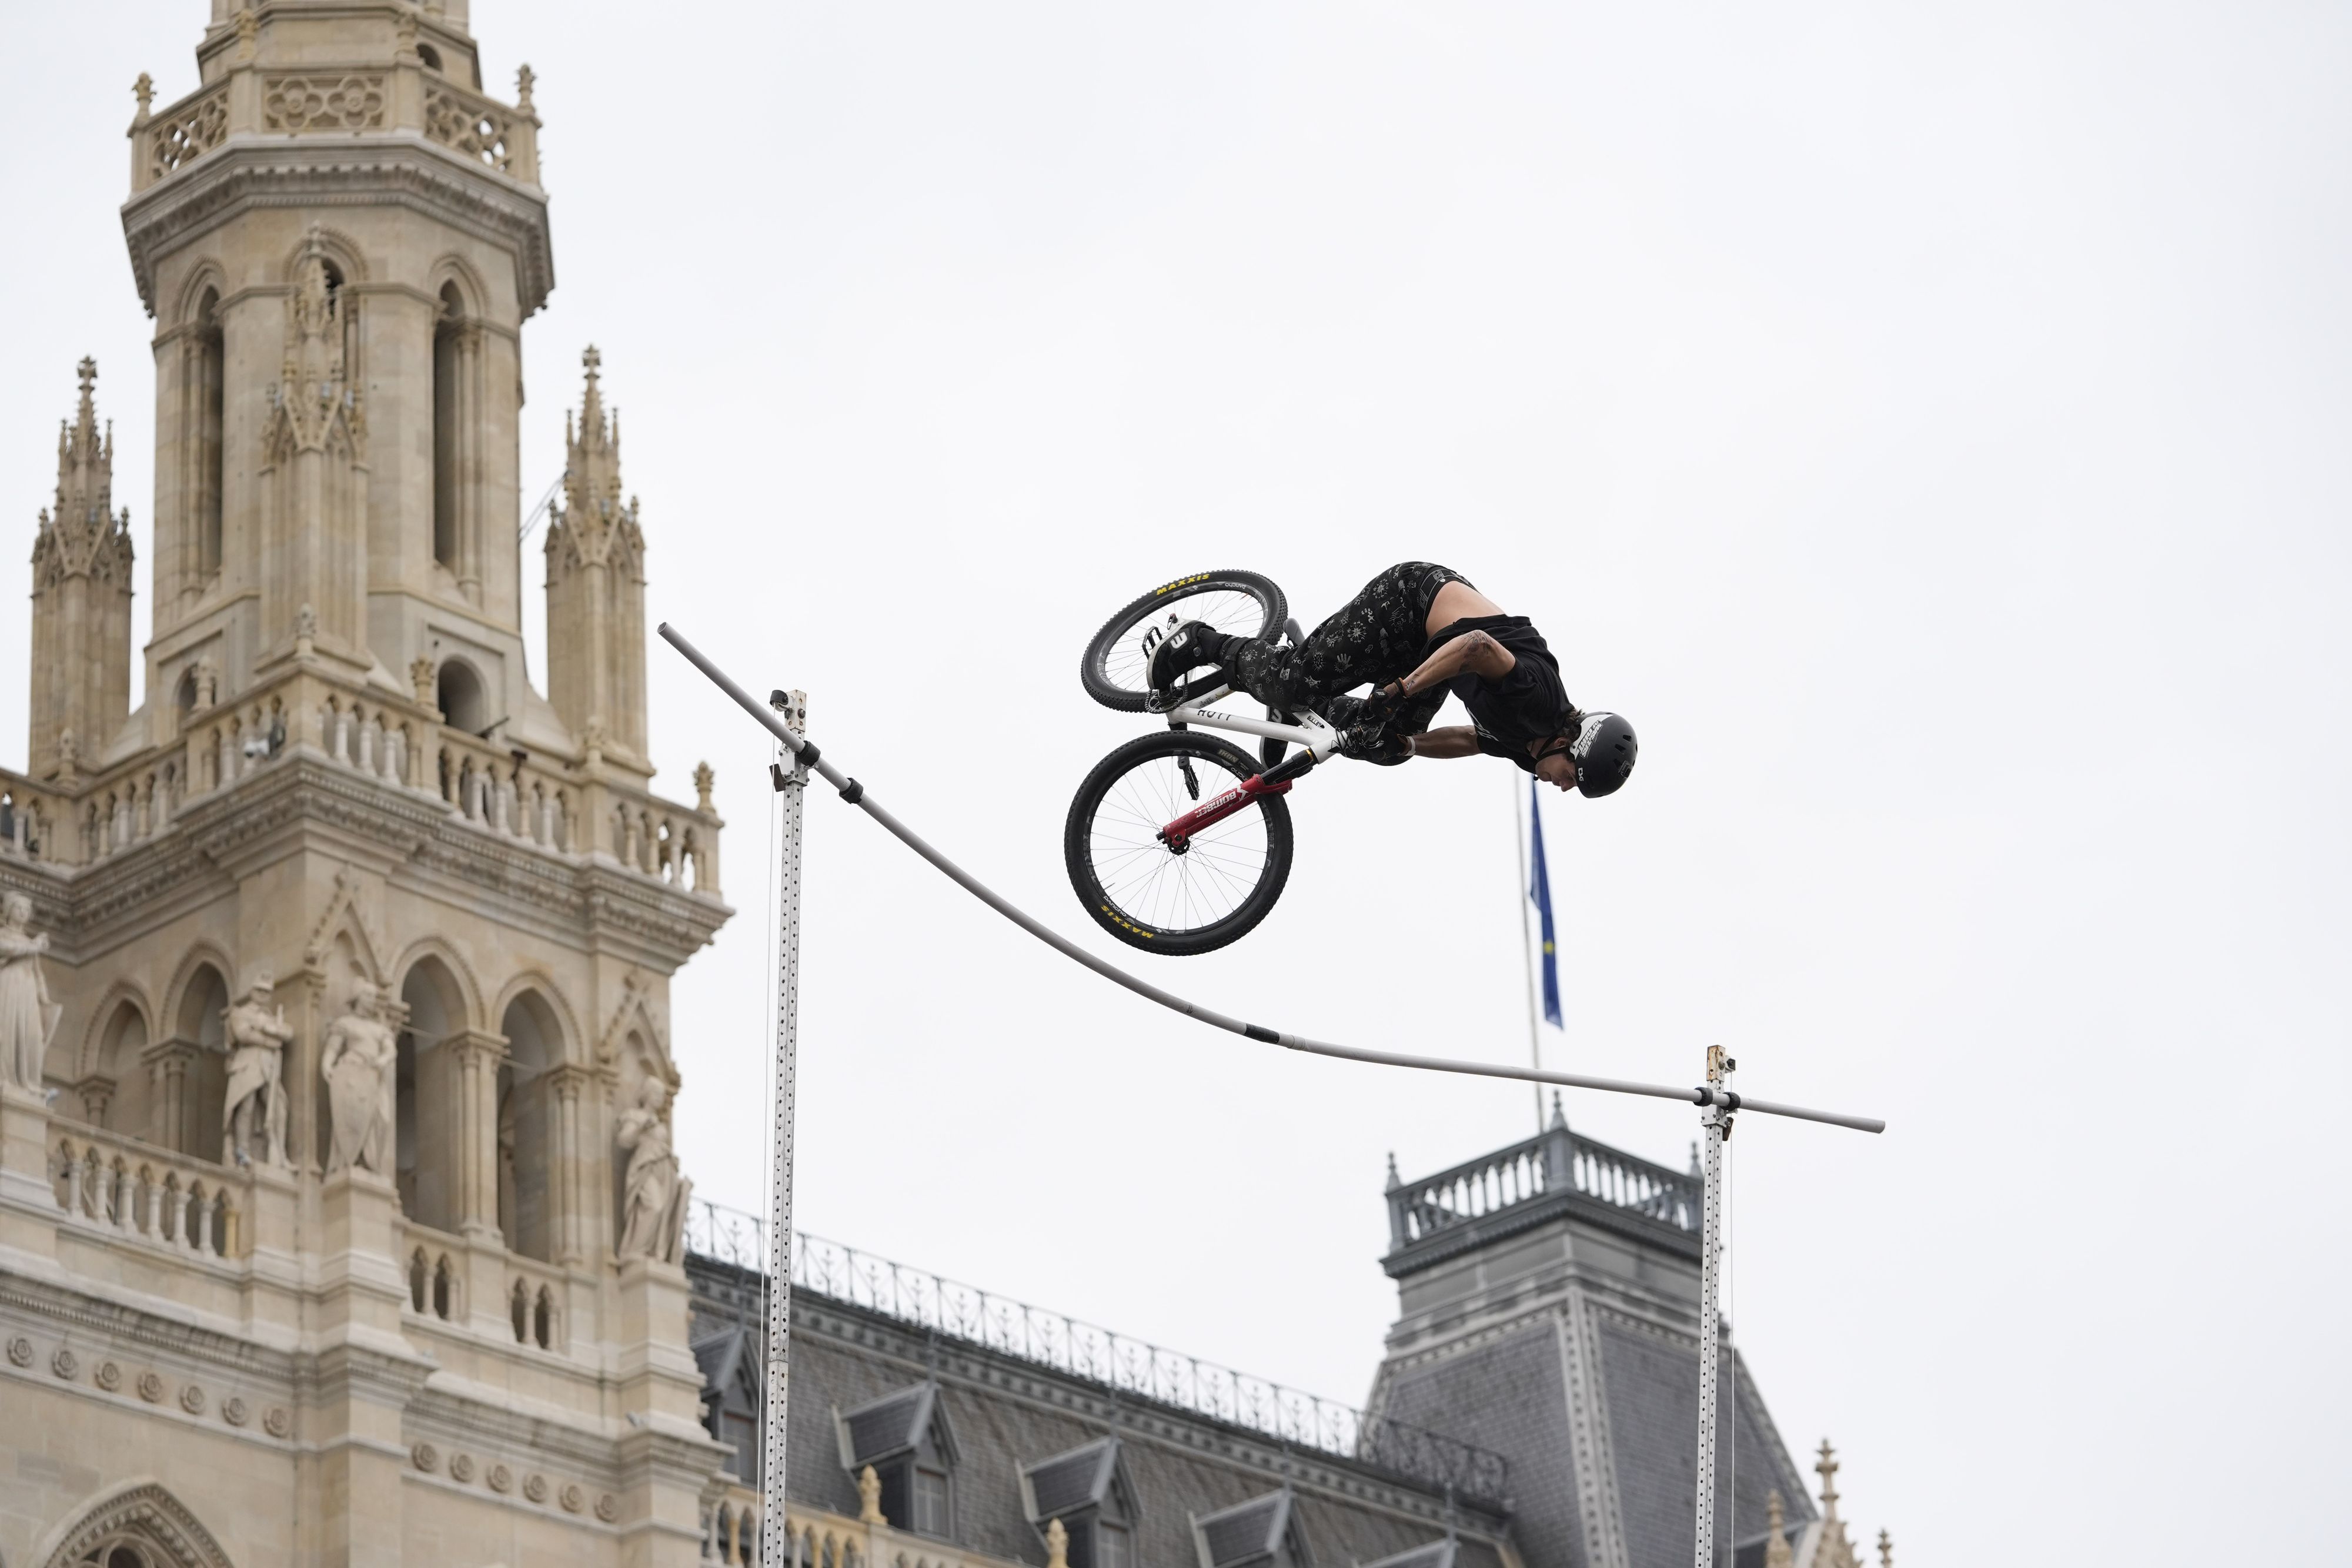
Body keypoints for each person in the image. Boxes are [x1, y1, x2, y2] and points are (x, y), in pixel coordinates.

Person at [1145, 563, 1636, 796]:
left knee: (1382, 744)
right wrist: (1398, 692)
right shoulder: (1539, 701)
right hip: (1410, 604)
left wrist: (1411, 744)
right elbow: (1477, 647)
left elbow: (1471, 739)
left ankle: (1294, 711)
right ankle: (1198, 643)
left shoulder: (1527, 743)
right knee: (1294, 679)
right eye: (1572, 777)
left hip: (1430, 650)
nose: (1564, 788)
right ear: (1569, 741)